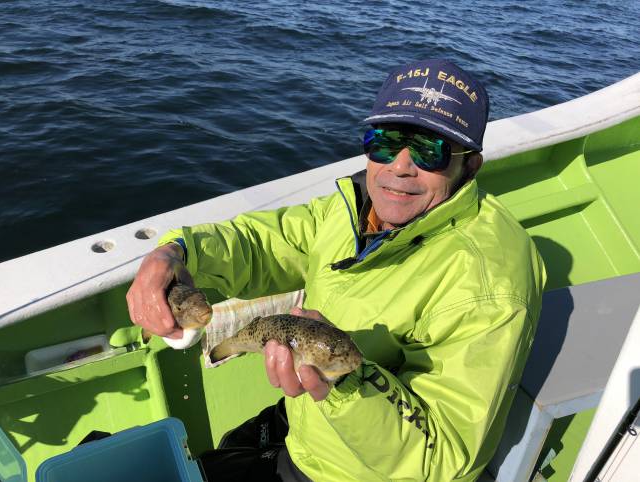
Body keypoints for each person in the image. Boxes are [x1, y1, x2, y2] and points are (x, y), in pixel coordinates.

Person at [127, 59, 546, 481]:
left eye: (429, 150)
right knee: (215, 454)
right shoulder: (359, 209)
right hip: (306, 425)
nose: (400, 166)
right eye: (384, 142)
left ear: (469, 166)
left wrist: (343, 379)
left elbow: (442, 458)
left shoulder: (488, 283)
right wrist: (179, 252)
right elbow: (269, 242)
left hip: (350, 470)